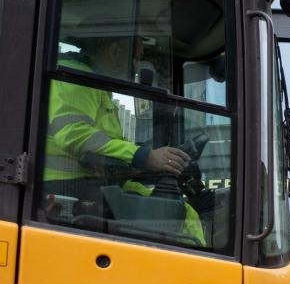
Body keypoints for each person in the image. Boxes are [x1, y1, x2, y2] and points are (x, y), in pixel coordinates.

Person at [44, 32, 203, 242]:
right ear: (115, 52)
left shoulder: (95, 84)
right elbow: (74, 134)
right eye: (136, 58)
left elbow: (104, 145)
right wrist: (145, 157)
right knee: (181, 216)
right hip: (67, 187)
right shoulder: (77, 78)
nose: (138, 66)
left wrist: (140, 162)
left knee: (176, 209)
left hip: (92, 184)